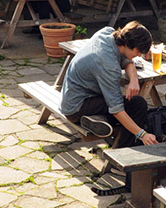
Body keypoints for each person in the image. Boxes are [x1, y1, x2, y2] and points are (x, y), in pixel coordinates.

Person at [59, 21, 158, 149]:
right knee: (138, 106)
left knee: (130, 105)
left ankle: (97, 120)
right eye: (139, 51)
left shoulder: (107, 33)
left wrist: (134, 79)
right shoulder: (108, 65)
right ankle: (122, 154)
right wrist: (142, 134)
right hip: (76, 107)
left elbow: (126, 60)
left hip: (73, 96)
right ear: (128, 44)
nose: (139, 55)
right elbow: (117, 109)